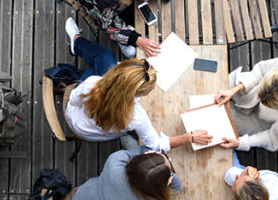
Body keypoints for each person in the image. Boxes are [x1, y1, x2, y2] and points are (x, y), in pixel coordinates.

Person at [63, 57, 211, 151]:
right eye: (150, 89)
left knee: (103, 56)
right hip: (94, 133)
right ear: (137, 93)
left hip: (74, 117)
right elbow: (156, 145)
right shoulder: (135, 116)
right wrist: (188, 137)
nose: (152, 90)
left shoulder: (92, 83)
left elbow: (74, 101)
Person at [66, 146, 182, 200]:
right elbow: (177, 188)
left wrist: (148, 157)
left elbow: (139, 150)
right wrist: (170, 175)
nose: (170, 160)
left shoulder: (114, 162)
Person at [214, 56, 278, 153]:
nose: (258, 98)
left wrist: (241, 143)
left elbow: (273, 139)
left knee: (220, 121)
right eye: (260, 95)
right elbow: (261, 70)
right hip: (250, 88)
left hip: (259, 120)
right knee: (218, 88)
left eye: (265, 103)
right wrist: (235, 89)